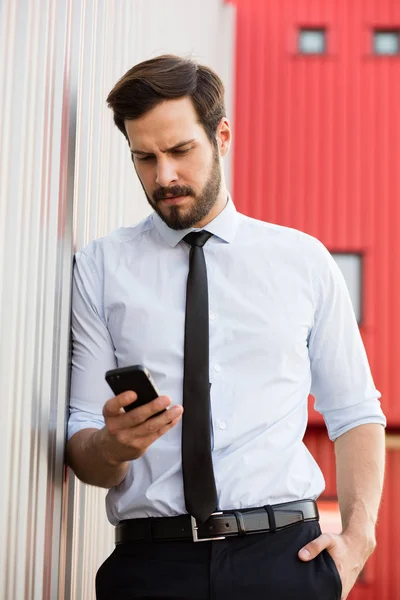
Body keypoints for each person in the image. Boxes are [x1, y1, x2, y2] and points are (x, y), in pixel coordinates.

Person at [66, 54, 386, 600]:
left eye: (180, 150)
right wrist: (113, 446)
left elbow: (354, 411)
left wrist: (357, 540)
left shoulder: (302, 261)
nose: (163, 175)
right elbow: (80, 444)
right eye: (144, 157)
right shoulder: (99, 267)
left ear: (223, 136)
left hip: (285, 558)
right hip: (150, 566)